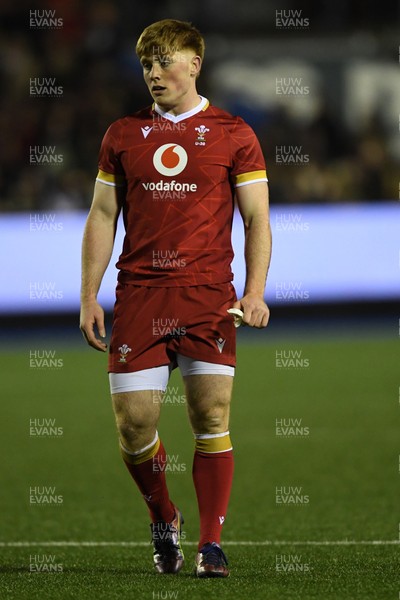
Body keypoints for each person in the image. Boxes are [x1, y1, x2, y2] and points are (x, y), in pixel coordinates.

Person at [80, 18, 271, 579]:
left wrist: (254, 292)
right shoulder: (122, 134)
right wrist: (89, 295)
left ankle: (211, 546)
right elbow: (103, 214)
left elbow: (257, 217)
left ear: (195, 65)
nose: (154, 74)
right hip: (139, 296)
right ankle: (164, 516)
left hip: (208, 296)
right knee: (136, 425)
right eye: (146, 65)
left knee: (210, 414)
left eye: (165, 62)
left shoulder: (235, 132)